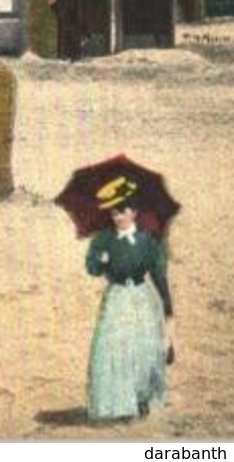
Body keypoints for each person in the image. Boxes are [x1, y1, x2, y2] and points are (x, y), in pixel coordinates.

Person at [84, 177, 174, 422]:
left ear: (133, 212)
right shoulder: (103, 239)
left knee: (141, 348)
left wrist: (169, 317)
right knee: (113, 347)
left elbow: (159, 276)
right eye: (113, 212)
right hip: (116, 298)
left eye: (122, 212)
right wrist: (99, 261)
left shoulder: (148, 242)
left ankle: (140, 398)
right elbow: (91, 268)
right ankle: (119, 402)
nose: (117, 217)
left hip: (141, 298)